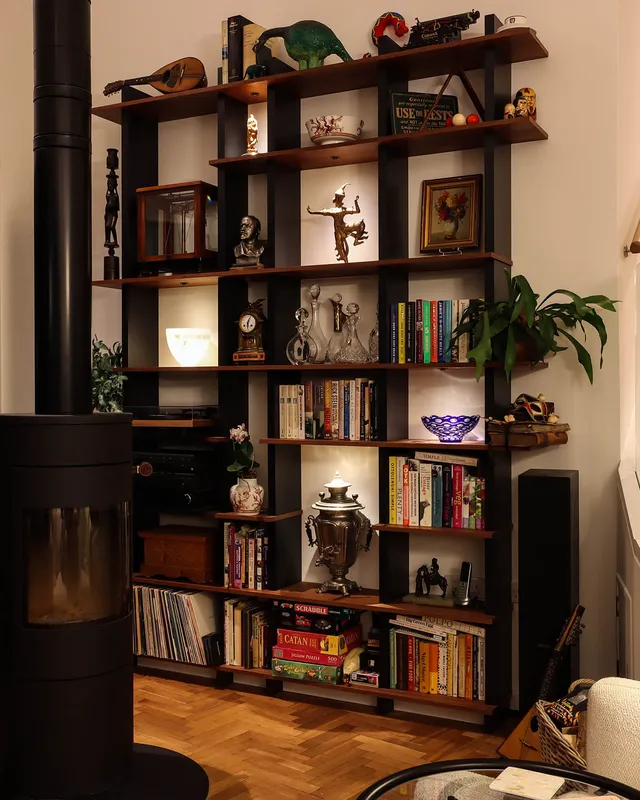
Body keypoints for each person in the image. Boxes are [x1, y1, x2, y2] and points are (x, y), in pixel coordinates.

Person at [307, 184, 368, 263]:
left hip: (344, 227)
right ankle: (346, 261)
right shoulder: (336, 210)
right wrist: (312, 212)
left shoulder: (342, 210)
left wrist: (356, 202)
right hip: (338, 231)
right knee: (340, 249)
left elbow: (357, 211)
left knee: (360, 225)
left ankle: (356, 241)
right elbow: (322, 212)